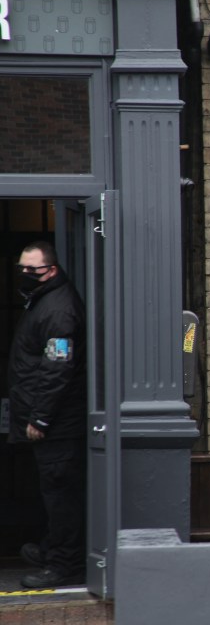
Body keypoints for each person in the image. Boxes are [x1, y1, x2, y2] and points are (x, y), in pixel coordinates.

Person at [7, 242, 87, 588]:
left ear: (51, 270)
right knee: (54, 492)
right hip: (49, 419)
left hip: (58, 424)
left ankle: (62, 564)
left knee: (61, 495)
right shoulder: (42, 300)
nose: (25, 275)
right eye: (21, 268)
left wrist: (40, 419)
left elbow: (58, 370)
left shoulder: (58, 310)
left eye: (32, 269)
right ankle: (52, 548)